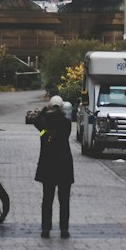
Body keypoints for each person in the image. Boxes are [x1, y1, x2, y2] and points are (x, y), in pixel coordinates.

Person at [35, 94, 73, 238]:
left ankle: (46, 228)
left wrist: (46, 109)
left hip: (48, 164)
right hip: (64, 164)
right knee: (64, 200)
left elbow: (36, 121)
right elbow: (65, 133)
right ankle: (64, 228)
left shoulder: (44, 123)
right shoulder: (66, 122)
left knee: (47, 199)